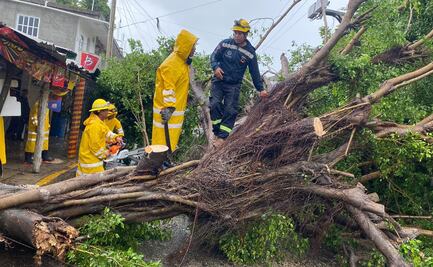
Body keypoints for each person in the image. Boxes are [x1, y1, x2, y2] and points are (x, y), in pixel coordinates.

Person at [210, 19, 269, 146]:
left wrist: (261, 89)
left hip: (234, 85)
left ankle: (222, 137)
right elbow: (213, 56)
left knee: (230, 110)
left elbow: (254, 72)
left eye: (239, 33)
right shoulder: (225, 44)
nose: (236, 35)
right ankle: (216, 132)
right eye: (235, 33)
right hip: (219, 82)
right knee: (214, 104)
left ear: (246, 34)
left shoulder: (250, 52)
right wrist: (215, 67)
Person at [151, 29, 198, 152]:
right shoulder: (172, 64)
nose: (195, 49)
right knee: (162, 139)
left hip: (173, 112)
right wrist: (169, 107)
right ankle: (159, 162)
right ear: (186, 46)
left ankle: (163, 159)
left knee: (168, 140)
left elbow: (179, 86)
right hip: (166, 112)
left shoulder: (182, 63)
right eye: (193, 46)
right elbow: (169, 88)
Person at [76, 99, 119, 176]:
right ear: (100, 112)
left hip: (93, 160)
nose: (108, 112)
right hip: (90, 162)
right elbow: (95, 146)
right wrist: (106, 153)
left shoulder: (99, 122)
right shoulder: (94, 125)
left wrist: (116, 137)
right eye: (106, 110)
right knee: (90, 183)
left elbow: (107, 132)